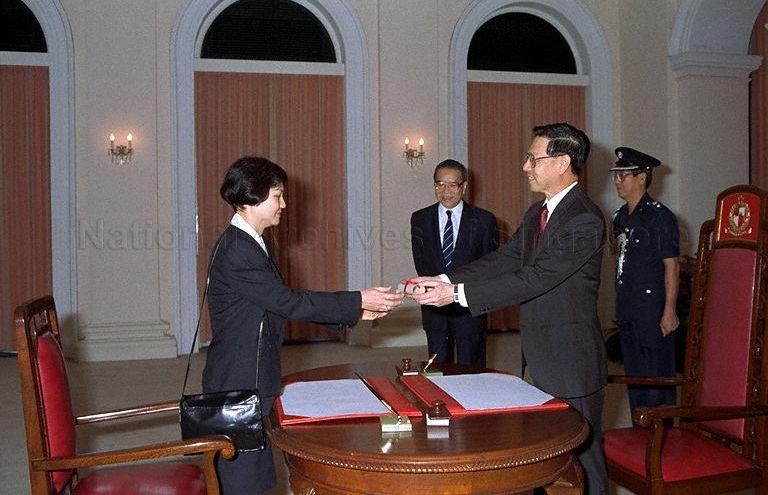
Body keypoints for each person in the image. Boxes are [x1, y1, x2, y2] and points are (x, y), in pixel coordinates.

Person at [410, 123, 608, 495]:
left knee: (583, 465)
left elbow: (533, 278)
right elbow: (504, 260)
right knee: (540, 456)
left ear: (563, 162)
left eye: (534, 157)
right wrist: (443, 279)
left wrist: (455, 296)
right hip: (537, 356)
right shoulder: (538, 213)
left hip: (572, 363)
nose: (526, 166)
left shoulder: (584, 218)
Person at [202, 156, 403, 495]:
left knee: (257, 473)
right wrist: (357, 301)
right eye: (277, 195)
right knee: (241, 479)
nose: (285, 204)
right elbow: (288, 301)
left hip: (251, 373)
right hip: (238, 379)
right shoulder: (238, 250)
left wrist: (353, 314)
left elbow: (279, 302)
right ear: (253, 197)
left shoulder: (255, 242)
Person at [410, 159, 499, 367]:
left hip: (469, 308)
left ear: (464, 186)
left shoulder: (484, 220)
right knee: (438, 366)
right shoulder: (420, 219)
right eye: (440, 184)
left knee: (472, 367)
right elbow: (421, 263)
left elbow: (490, 266)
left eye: (452, 185)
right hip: (435, 310)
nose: (445, 191)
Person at [611, 147, 679, 412]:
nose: (617, 181)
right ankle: (639, 435)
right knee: (635, 376)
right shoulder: (619, 217)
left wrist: (669, 311)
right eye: (616, 176)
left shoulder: (660, 217)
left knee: (657, 377)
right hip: (628, 308)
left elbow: (671, 268)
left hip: (652, 310)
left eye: (624, 176)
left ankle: (663, 438)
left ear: (642, 178)